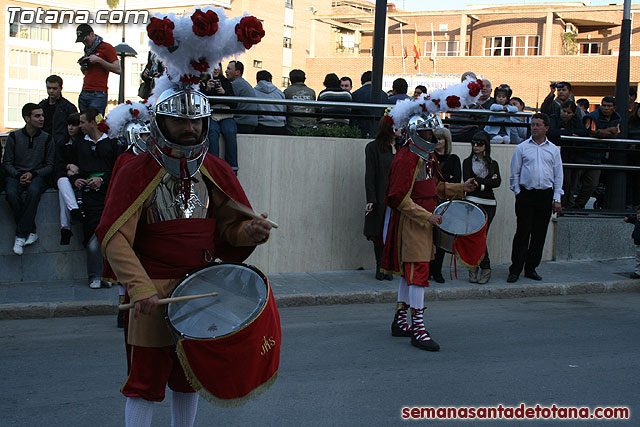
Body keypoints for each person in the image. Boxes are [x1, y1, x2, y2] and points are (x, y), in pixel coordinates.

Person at [96, 10, 272, 425]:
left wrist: (250, 230)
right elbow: (114, 236)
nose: (190, 128)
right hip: (152, 294)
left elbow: (228, 228)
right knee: (145, 381)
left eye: (196, 120)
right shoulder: (135, 169)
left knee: (188, 378)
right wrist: (139, 289)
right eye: (179, 119)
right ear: (160, 120)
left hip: (204, 289)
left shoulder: (217, 168)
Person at [382, 114, 477, 352]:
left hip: (424, 222)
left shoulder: (426, 155)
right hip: (413, 223)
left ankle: (401, 320)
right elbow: (397, 197)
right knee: (417, 272)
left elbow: (433, 188)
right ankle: (418, 328)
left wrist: (460, 188)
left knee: (409, 274)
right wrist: (427, 216)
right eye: (427, 133)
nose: (432, 136)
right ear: (415, 133)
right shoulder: (407, 157)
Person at [507, 113, 563, 283]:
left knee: (539, 234)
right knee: (523, 233)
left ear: (546, 128)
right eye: (533, 125)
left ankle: (531, 268)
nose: (535, 128)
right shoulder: (522, 148)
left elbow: (558, 175)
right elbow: (514, 172)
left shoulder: (553, 150)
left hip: (545, 195)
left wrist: (557, 198)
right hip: (526, 195)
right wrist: (517, 191)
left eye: (539, 125)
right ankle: (515, 269)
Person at [69, 107, 119, 289]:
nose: (79, 126)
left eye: (82, 122)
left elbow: (118, 169)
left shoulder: (112, 144)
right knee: (91, 234)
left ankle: (108, 274)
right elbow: (71, 168)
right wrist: (77, 180)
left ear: (92, 123)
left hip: (108, 195)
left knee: (109, 235)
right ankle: (94, 275)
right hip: (89, 197)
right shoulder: (79, 145)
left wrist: (102, 180)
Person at [3, 103, 55, 255]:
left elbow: (50, 165)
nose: (41, 119)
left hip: (38, 175)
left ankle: (20, 235)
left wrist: (33, 174)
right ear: (27, 118)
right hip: (16, 175)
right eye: (37, 116)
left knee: (34, 191)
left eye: (42, 115)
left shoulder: (47, 139)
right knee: (11, 193)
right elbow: (7, 163)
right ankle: (31, 230)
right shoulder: (14, 136)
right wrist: (19, 175)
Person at [462, 131, 501, 284]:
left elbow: (497, 183)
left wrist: (481, 183)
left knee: (481, 236)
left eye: (479, 144)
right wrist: (486, 182)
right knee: (474, 236)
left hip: (490, 204)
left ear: (486, 146)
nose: (476, 146)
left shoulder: (493, 163)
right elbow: (468, 182)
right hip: (472, 202)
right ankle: (479, 266)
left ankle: (480, 267)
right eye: (474, 143)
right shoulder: (467, 162)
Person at [364, 117, 398, 281]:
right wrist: (371, 198)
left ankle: (389, 265)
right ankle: (380, 265)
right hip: (381, 195)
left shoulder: (403, 147)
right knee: (379, 232)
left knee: (394, 231)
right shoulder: (373, 147)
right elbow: (369, 175)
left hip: (399, 197)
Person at [429, 128, 461, 284]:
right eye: (436, 139)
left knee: (443, 239)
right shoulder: (429, 157)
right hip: (430, 202)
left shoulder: (453, 159)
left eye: (441, 139)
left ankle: (437, 270)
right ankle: (428, 269)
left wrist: (443, 181)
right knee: (429, 237)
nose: (438, 142)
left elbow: (456, 180)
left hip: (446, 204)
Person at [578, 96, 621, 208]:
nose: (606, 108)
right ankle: (567, 205)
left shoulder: (617, 117)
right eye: (604, 105)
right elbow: (591, 133)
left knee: (592, 184)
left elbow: (616, 133)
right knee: (573, 183)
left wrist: (601, 132)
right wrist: (609, 131)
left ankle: (578, 205)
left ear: (614, 108)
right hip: (583, 154)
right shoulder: (592, 116)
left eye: (609, 106)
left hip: (598, 157)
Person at [200, 64, 239, 172]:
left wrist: (224, 93)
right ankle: (214, 167)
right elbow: (200, 100)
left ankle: (232, 168)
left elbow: (234, 103)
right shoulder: (202, 82)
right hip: (211, 115)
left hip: (226, 114)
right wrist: (207, 90)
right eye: (213, 66)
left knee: (230, 131)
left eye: (218, 66)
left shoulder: (226, 82)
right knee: (212, 132)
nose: (216, 68)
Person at [75, 24, 120, 115]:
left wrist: (99, 60)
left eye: (85, 39)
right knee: (84, 123)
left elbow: (118, 69)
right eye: (82, 41)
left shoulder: (106, 47)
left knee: (95, 123)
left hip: (98, 93)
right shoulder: (88, 49)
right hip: (85, 91)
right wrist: (84, 66)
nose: (84, 43)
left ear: (92, 34)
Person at [56, 113, 83, 245]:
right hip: (64, 175)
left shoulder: (83, 142)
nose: (70, 128)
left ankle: (65, 228)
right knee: (62, 181)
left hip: (77, 176)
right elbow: (57, 163)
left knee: (62, 191)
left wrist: (74, 169)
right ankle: (73, 209)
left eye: (74, 125)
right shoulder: (62, 142)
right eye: (68, 125)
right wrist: (68, 166)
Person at [38, 75, 78, 146]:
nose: (51, 91)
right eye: (49, 88)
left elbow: (75, 128)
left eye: (54, 88)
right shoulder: (41, 105)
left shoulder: (68, 107)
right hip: (42, 142)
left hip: (60, 145)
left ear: (60, 88)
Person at [351, 71, 389, 139]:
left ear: (362, 82)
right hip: (380, 132)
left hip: (361, 132)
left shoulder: (355, 94)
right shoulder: (384, 95)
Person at [447, 71, 482, 142]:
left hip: (455, 132)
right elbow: (480, 113)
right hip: (465, 132)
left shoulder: (454, 92)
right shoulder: (461, 95)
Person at [226, 60, 258, 134]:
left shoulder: (235, 84)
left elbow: (229, 104)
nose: (226, 71)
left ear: (237, 72)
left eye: (229, 69)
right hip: (249, 123)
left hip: (242, 123)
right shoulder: (243, 83)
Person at [254, 70, 289, 135]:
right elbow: (284, 109)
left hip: (261, 126)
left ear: (257, 80)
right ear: (270, 79)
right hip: (280, 126)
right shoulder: (279, 93)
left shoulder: (253, 92)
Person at [623, 207, 640, 279]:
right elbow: (629, 218)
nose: (639, 215)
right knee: (638, 258)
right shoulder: (636, 220)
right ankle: (638, 272)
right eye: (638, 213)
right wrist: (626, 218)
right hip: (638, 243)